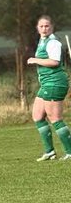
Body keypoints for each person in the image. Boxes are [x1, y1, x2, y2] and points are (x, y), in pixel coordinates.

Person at [27, 15, 71, 160]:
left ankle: (70, 152)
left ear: (51, 27)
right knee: (37, 115)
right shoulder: (42, 41)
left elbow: (54, 62)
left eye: (47, 26)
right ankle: (50, 152)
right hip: (46, 83)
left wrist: (35, 60)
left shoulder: (53, 42)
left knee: (55, 118)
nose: (44, 28)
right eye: (41, 26)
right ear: (37, 28)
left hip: (55, 82)